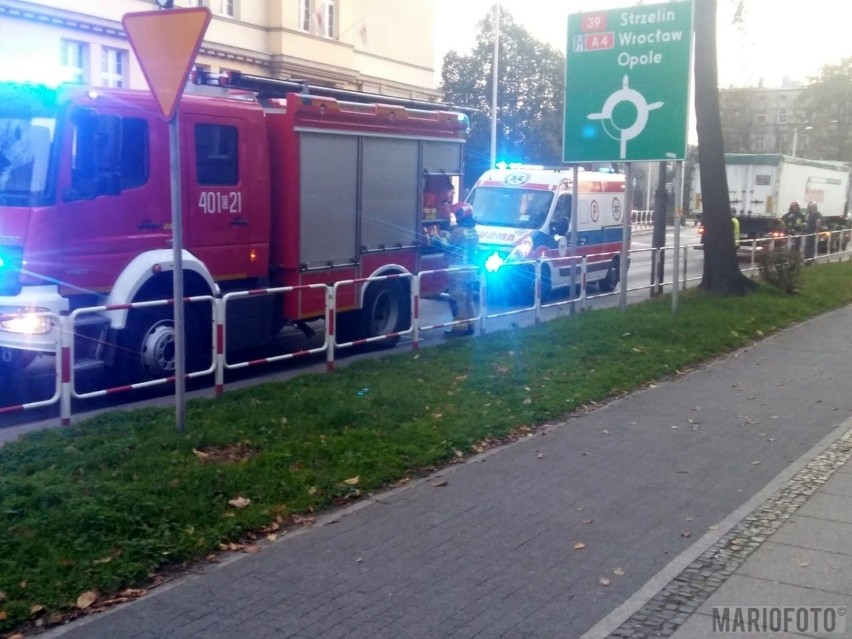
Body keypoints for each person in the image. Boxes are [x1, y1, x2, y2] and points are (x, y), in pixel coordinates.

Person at [434, 203, 479, 337]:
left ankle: (459, 329)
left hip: (458, 271)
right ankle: (470, 326)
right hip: (470, 270)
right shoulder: (473, 231)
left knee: (457, 299)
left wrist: (437, 237)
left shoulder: (459, 231)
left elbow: (447, 245)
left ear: (460, 215)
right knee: (468, 299)